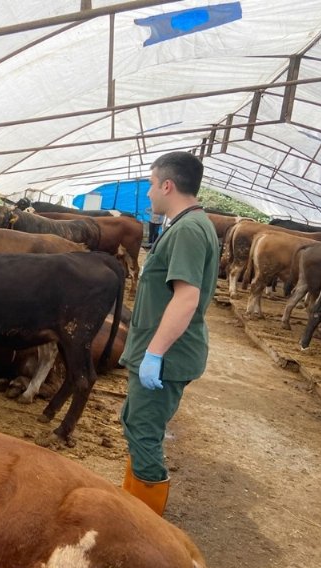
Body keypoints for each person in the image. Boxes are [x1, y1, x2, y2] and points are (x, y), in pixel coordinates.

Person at [119, 152, 219, 516]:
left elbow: (187, 295)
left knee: (144, 435)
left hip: (167, 355)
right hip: (161, 351)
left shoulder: (190, 229)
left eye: (150, 184)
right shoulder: (188, 224)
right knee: (135, 423)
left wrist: (155, 354)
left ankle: (143, 525)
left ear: (167, 185)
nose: (147, 193)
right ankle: (131, 508)